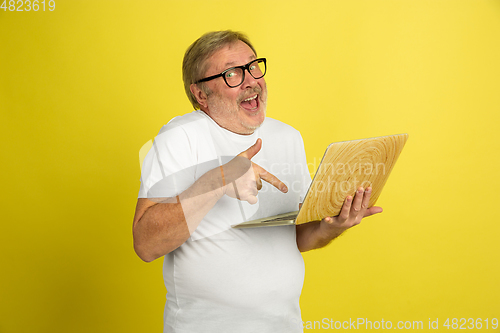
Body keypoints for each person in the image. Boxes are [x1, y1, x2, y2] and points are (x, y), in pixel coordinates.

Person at [133, 30, 382, 333]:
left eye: (252, 66)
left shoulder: (288, 136)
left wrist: (330, 226)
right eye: (232, 74)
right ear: (201, 94)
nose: (251, 80)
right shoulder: (181, 136)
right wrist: (220, 180)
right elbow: (146, 244)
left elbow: (296, 238)